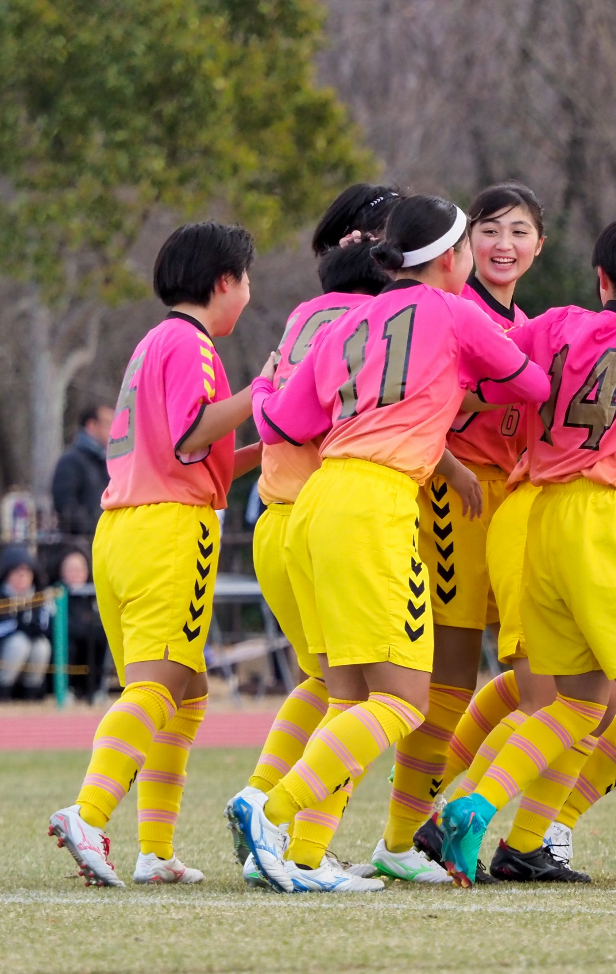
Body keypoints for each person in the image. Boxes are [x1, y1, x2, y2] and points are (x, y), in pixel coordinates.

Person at [227, 194, 549, 894]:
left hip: (315, 500)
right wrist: (455, 387)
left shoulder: (349, 319)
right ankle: (268, 809)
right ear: (449, 257)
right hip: (375, 505)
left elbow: (281, 418)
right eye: (473, 243)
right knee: (404, 699)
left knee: (348, 698)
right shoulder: (455, 309)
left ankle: (302, 856)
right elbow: (531, 382)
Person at [437, 209, 616, 891]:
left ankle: (473, 803)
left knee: (574, 705)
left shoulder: (557, 322)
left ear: (601, 277)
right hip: (610, 517)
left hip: (543, 511)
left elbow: (496, 367)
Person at [47, 221, 269, 887]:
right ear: (224, 281)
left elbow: (192, 456)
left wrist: (272, 454)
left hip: (124, 530)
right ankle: (89, 814)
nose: (249, 294)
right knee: (159, 686)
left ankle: (155, 850)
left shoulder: (152, 344)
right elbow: (193, 437)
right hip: (171, 533)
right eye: (248, 281)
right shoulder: (193, 346)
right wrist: (264, 391)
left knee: (187, 692)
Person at [381, 182, 561, 884]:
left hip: (513, 503)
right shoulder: (448, 311)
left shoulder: (535, 323)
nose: (503, 245)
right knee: (449, 675)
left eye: (519, 232)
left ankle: (453, 818)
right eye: (489, 231)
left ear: (540, 245)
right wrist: (451, 466)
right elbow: (407, 408)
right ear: (461, 248)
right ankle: (402, 836)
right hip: (452, 495)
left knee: (533, 672)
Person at [228, 183, 403, 895]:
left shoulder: (304, 314)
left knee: (325, 683)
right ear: (363, 244)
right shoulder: (375, 322)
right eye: (392, 235)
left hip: (276, 518)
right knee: (365, 697)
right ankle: (298, 844)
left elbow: (273, 411)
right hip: (325, 517)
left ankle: (267, 814)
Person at [0, 546, 53, 700]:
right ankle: (2, 691)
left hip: (32, 649)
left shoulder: (40, 596)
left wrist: (33, 629)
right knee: (19, 643)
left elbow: (45, 626)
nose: (21, 578)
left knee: (41, 646)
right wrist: (13, 627)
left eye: (25, 573)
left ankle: (31, 693)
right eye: (16, 573)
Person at [54, 546, 109, 703]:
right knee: (68, 643)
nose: (76, 573)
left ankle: (97, 690)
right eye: (71, 569)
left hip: (90, 649)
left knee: (100, 640)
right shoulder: (57, 593)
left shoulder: (94, 594)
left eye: (80, 568)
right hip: (66, 648)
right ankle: (66, 690)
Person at [51, 406, 114, 537]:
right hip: (80, 543)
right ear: (91, 425)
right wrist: (94, 528)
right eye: (108, 423)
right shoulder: (71, 461)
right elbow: (66, 507)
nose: (113, 429)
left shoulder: (109, 462)